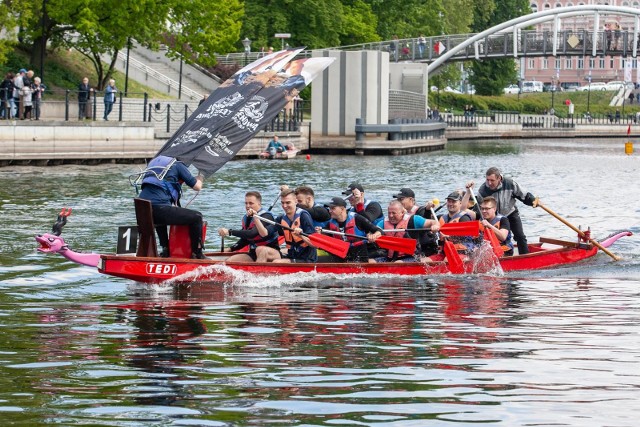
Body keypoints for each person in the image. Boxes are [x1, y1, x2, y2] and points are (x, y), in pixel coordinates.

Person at [138, 155, 205, 259]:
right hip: (159, 209)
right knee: (197, 217)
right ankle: (197, 254)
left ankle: (166, 250)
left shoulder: (154, 164)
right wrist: (200, 177)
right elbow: (197, 186)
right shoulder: (178, 164)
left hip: (143, 209)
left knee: (161, 217)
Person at [472, 166, 537, 255]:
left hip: (510, 213)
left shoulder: (510, 183)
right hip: (494, 217)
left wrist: (533, 201)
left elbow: (524, 195)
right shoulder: (483, 190)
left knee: (520, 236)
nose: (489, 183)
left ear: (499, 178)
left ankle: (524, 257)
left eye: (492, 180)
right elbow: (479, 208)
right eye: (487, 180)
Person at [252, 189, 317, 263]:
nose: (284, 206)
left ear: (296, 201)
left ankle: (261, 272)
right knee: (260, 249)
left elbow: (314, 244)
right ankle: (258, 272)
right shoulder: (281, 218)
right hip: (291, 255)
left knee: (276, 262)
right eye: (282, 203)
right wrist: (256, 218)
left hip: (306, 259)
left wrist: (301, 235)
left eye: (288, 202)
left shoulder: (304, 216)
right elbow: (264, 233)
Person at [217, 191, 280, 262]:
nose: (247, 206)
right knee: (230, 260)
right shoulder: (246, 218)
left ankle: (258, 271)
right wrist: (231, 249)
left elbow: (252, 234)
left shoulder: (266, 217)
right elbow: (245, 239)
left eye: (251, 203)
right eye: (246, 203)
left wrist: (229, 232)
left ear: (259, 203)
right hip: (253, 252)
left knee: (261, 250)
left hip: (271, 252)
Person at [321, 196, 382, 262]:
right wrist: (319, 233)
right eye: (329, 208)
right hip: (341, 255)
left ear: (342, 209)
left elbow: (379, 231)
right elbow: (323, 239)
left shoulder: (357, 218)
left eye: (333, 208)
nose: (330, 211)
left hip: (359, 254)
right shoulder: (330, 224)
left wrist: (373, 236)